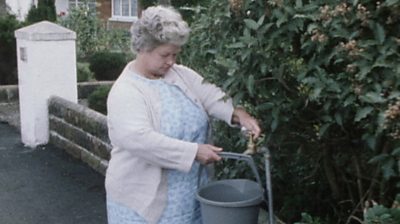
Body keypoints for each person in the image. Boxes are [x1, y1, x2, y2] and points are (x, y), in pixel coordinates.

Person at [105, 5, 261, 224]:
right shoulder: (126, 91)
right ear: (143, 48)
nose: (171, 61)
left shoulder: (180, 75)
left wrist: (238, 115)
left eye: (175, 55)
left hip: (189, 195)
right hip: (143, 204)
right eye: (165, 55)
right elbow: (139, 140)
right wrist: (194, 152)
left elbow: (211, 96)